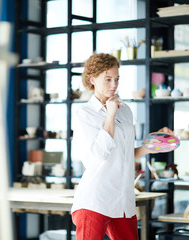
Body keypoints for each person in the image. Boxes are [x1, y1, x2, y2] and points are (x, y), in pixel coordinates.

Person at [71, 53, 158, 240]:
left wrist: (150, 146)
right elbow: (99, 155)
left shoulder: (125, 110)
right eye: (108, 79)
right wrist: (109, 115)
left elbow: (125, 154)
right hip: (95, 199)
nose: (114, 85)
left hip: (122, 200)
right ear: (92, 79)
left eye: (117, 79)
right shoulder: (84, 114)